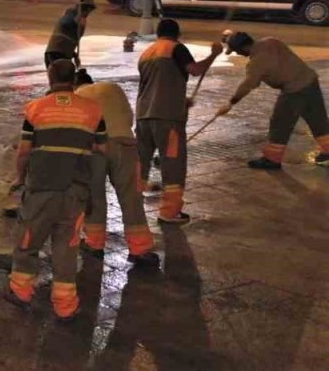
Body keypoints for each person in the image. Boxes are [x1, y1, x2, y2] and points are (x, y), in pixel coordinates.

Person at [7, 59, 106, 322]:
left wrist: (19, 178)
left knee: (28, 241)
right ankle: (65, 304)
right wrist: (93, 191)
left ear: (50, 77)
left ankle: (21, 291)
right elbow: (101, 153)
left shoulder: (36, 109)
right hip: (75, 191)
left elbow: (25, 151)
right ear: (73, 79)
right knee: (66, 246)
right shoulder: (93, 111)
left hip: (41, 189)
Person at [135, 19, 222, 225]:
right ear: (177, 34)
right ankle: (169, 212)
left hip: (143, 117)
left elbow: (157, 84)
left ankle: (132, 203)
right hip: (167, 120)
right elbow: (195, 70)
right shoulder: (175, 48)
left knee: (141, 163)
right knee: (173, 164)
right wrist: (214, 54)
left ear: (158, 33)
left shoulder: (147, 53)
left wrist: (180, 101)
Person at [75, 70, 159, 268]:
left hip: (94, 147)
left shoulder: (77, 97)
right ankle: (140, 249)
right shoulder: (113, 88)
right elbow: (129, 117)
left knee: (94, 196)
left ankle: (94, 244)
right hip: (124, 144)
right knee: (131, 196)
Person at [215, 32, 329, 170]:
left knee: (280, 123)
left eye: (236, 51)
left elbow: (248, 85)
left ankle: (272, 159)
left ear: (243, 48)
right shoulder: (271, 41)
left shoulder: (256, 63)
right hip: (310, 81)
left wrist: (231, 103)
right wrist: (230, 36)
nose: (238, 54)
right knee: (317, 119)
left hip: (294, 91)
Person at [44, 0, 97, 67]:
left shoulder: (80, 20)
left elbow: (70, 40)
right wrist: (76, 20)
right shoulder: (71, 13)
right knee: (60, 76)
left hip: (63, 53)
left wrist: (74, 56)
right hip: (56, 53)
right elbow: (65, 23)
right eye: (89, 10)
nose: (89, 13)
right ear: (88, 9)